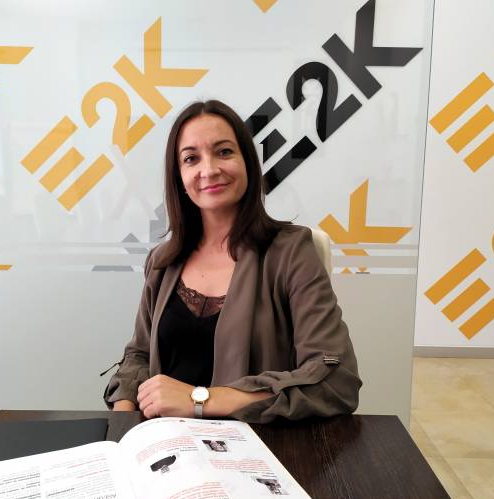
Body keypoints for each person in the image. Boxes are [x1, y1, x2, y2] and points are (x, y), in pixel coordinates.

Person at [104, 99, 361, 423]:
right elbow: (139, 356)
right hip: (166, 443)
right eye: (191, 158)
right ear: (179, 177)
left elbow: (336, 382)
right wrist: (122, 428)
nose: (209, 169)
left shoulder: (292, 252)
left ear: (247, 163)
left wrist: (200, 400)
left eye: (224, 152)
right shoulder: (162, 262)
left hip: (257, 443)